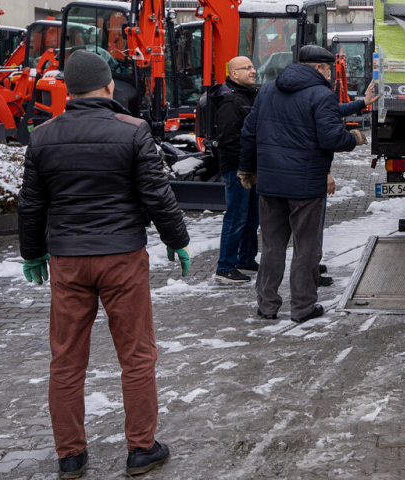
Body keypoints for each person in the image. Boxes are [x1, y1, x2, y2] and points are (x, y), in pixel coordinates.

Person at [17, 49, 190, 479]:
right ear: (109, 86)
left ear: (67, 91)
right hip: (123, 258)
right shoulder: (132, 131)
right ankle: (141, 449)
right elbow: (157, 193)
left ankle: (71, 456)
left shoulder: (42, 135)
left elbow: (31, 204)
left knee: (66, 360)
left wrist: (32, 251)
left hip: (68, 263)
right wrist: (177, 241)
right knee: (136, 356)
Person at [239, 44, 378, 323]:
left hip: (270, 184)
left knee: (271, 246)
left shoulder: (267, 90)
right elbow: (331, 137)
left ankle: (267, 306)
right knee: (306, 248)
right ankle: (303, 308)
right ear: (318, 68)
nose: (329, 76)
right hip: (305, 186)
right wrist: (355, 139)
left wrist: (247, 169)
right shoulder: (320, 93)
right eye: (327, 70)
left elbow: (249, 132)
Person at [212, 56, 260, 284]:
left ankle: (246, 259)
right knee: (237, 216)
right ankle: (225, 267)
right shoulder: (230, 100)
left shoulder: (248, 95)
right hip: (238, 168)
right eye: (247, 68)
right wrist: (244, 168)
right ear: (234, 73)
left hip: (250, 166)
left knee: (252, 215)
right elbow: (230, 141)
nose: (253, 71)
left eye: (252, 67)